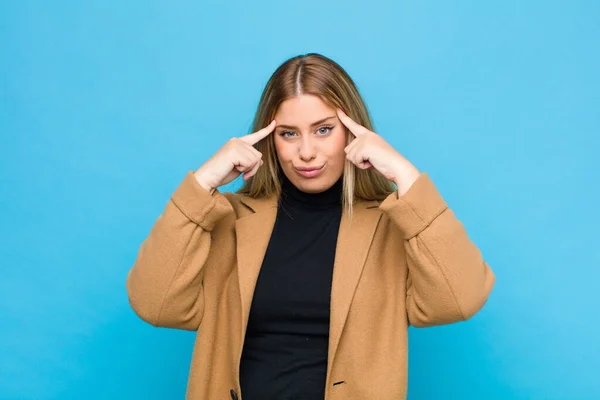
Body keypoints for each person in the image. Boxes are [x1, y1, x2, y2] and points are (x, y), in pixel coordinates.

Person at [126, 53, 496, 400]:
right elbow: (157, 306)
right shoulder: (229, 218)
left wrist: (405, 175)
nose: (306, 152)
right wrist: (203, 183)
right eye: (288, 133)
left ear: (353, 131)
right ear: (269, 139)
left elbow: (458, 301)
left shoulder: (392, 223)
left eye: (323, 130)